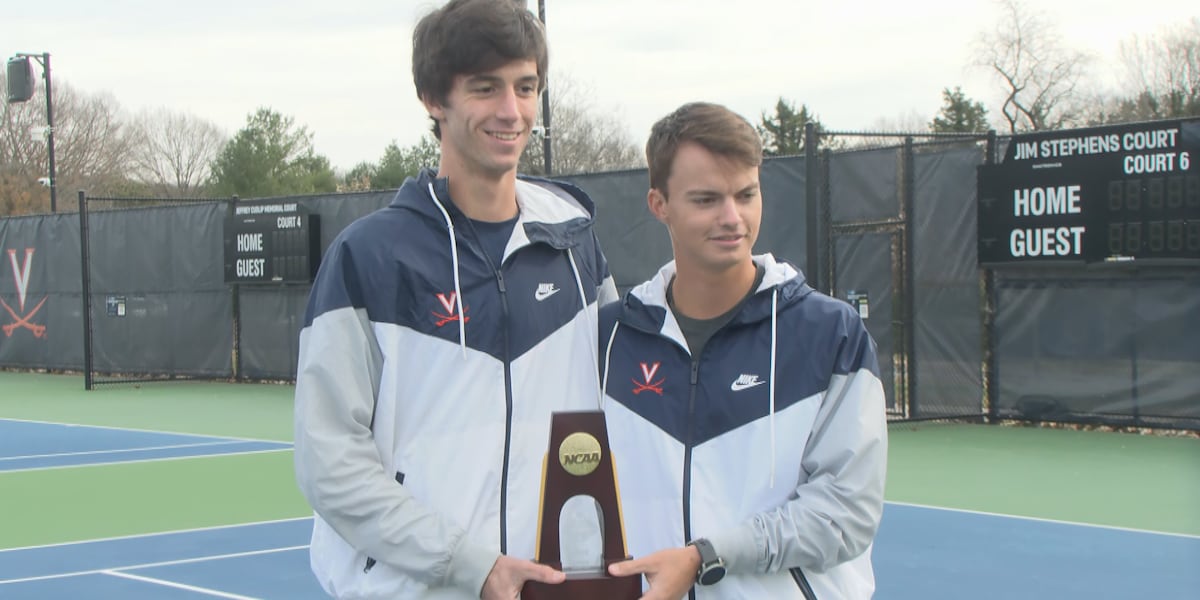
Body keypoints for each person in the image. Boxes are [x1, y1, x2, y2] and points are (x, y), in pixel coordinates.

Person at [292, 1, 618, 598]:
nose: (511, 111)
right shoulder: (368, 256)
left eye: (526, 87)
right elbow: (328, 464)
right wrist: (470, 565)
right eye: (485, 88)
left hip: (556, 585)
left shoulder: (574, 240)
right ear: (433, 100)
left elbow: (620, 413)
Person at [599, 102, 887, 599]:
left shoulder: (829, 333)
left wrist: (707, 556)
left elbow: (846, 513)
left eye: (746, 194)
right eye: (707, 199)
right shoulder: (609, 339)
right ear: (658, 203)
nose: (732, 218)